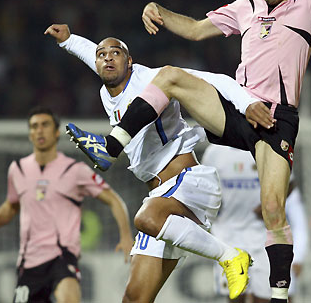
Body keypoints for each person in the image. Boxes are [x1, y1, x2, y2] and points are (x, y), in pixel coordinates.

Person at [69, 0, 311, 302]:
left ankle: (278, 297)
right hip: (235, 109)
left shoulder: (310, 3)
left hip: (275, 119)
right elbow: (195, 30)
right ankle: (111, 146)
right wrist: (159, 10)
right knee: (171, 76)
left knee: (274, 209)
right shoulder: (247, 6)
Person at [43, 24, 270, 301]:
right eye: (102, 55)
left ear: (130, 62)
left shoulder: (152, 79)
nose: (107, 58)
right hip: (160, 195)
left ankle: (230, 256)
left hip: (188, 183)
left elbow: (214, 79)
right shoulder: (108, 89)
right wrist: (68, 41)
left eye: (116, 53)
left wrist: (246, 103)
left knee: (146, 218)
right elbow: (93, 54)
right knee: (134, 298)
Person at [0, 106, 133, 303]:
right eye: (34, 126)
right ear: (30, 134)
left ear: (56, 132)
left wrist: (126, 235)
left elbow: (113, 199)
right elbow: (12, 205)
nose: (39, 130)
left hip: (62, 257)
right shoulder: (17, 170)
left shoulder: (74, 170)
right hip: (29, 261)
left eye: (45, 125)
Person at [202, 145, 308, 303]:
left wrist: (273, 200)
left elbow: (289, 183)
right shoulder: (214, 152)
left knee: (268, 297)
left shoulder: (267, 146)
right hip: (228, 236)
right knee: (237, 297)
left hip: (262, 238)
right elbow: (203, 186)